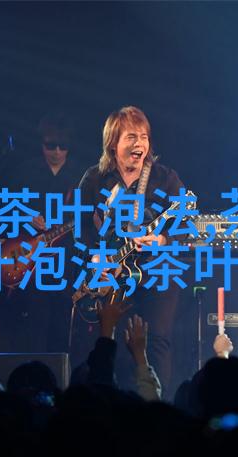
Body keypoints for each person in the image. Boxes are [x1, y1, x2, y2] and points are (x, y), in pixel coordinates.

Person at [74, 106, 185, 397]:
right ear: (113, 142)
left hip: (156, 271)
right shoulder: (94, 179)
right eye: (132, 137)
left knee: (157, 339)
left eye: (144, 137)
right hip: (113, 273)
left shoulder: (165, 179)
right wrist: (95, 256)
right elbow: (80, 229)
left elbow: (187, 225)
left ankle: (157, 404)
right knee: (115, 340)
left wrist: (162, 240)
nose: (140, 144)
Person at [0, 112, 87, 353]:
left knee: (62, 322)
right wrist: (26, 217)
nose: (56, 152)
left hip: (66, 260)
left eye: (63, 146)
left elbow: (90, 217)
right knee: (35, 321)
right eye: (50, 145)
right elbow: (0, 209)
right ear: (41, 143)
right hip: (31, 260)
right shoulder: (25, 171)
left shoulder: (82, 176)